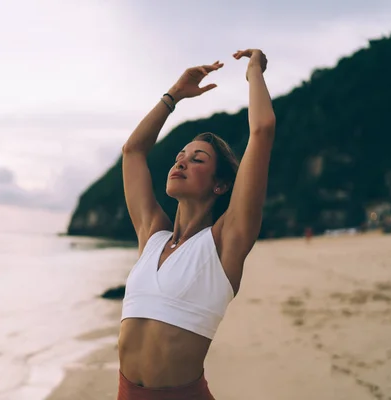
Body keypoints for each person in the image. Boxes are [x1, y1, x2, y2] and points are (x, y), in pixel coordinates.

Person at [118, 49, 275, 399]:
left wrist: (254, 73)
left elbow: (262, 130)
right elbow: (133, 152)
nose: (182, 163)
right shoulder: (152, 236)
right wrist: (174, 94)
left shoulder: (226, 242)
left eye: (197, 159)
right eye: (179, 156)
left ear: (220, 185)